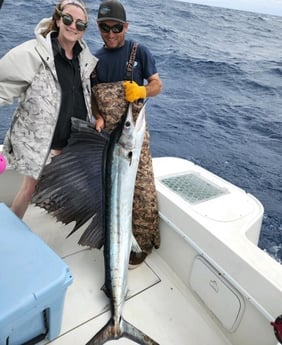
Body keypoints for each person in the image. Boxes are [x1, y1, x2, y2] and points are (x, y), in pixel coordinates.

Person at [0, 0, 97, 219]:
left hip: (71, 144)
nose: (73, 26)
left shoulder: (85, 60)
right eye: (69, 20)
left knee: (64, 192)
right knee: (28, 190)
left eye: (80, 24)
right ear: (58, 19)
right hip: (43, 143)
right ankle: (14, 228)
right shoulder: (32, 53)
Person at [91, 0, 163, 267]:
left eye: (116, 28)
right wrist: (98, 116)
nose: (111, 34)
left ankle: (142, 244)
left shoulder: (139, 51)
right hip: (108, 140)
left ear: (126, 26)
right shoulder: (94, 60)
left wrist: (143, 91)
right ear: (98, 27)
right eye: (104, 28)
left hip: (134, 140)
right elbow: (94, 98)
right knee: (109, 196)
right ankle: (112, 241)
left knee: (142, 192)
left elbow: (157, 84)